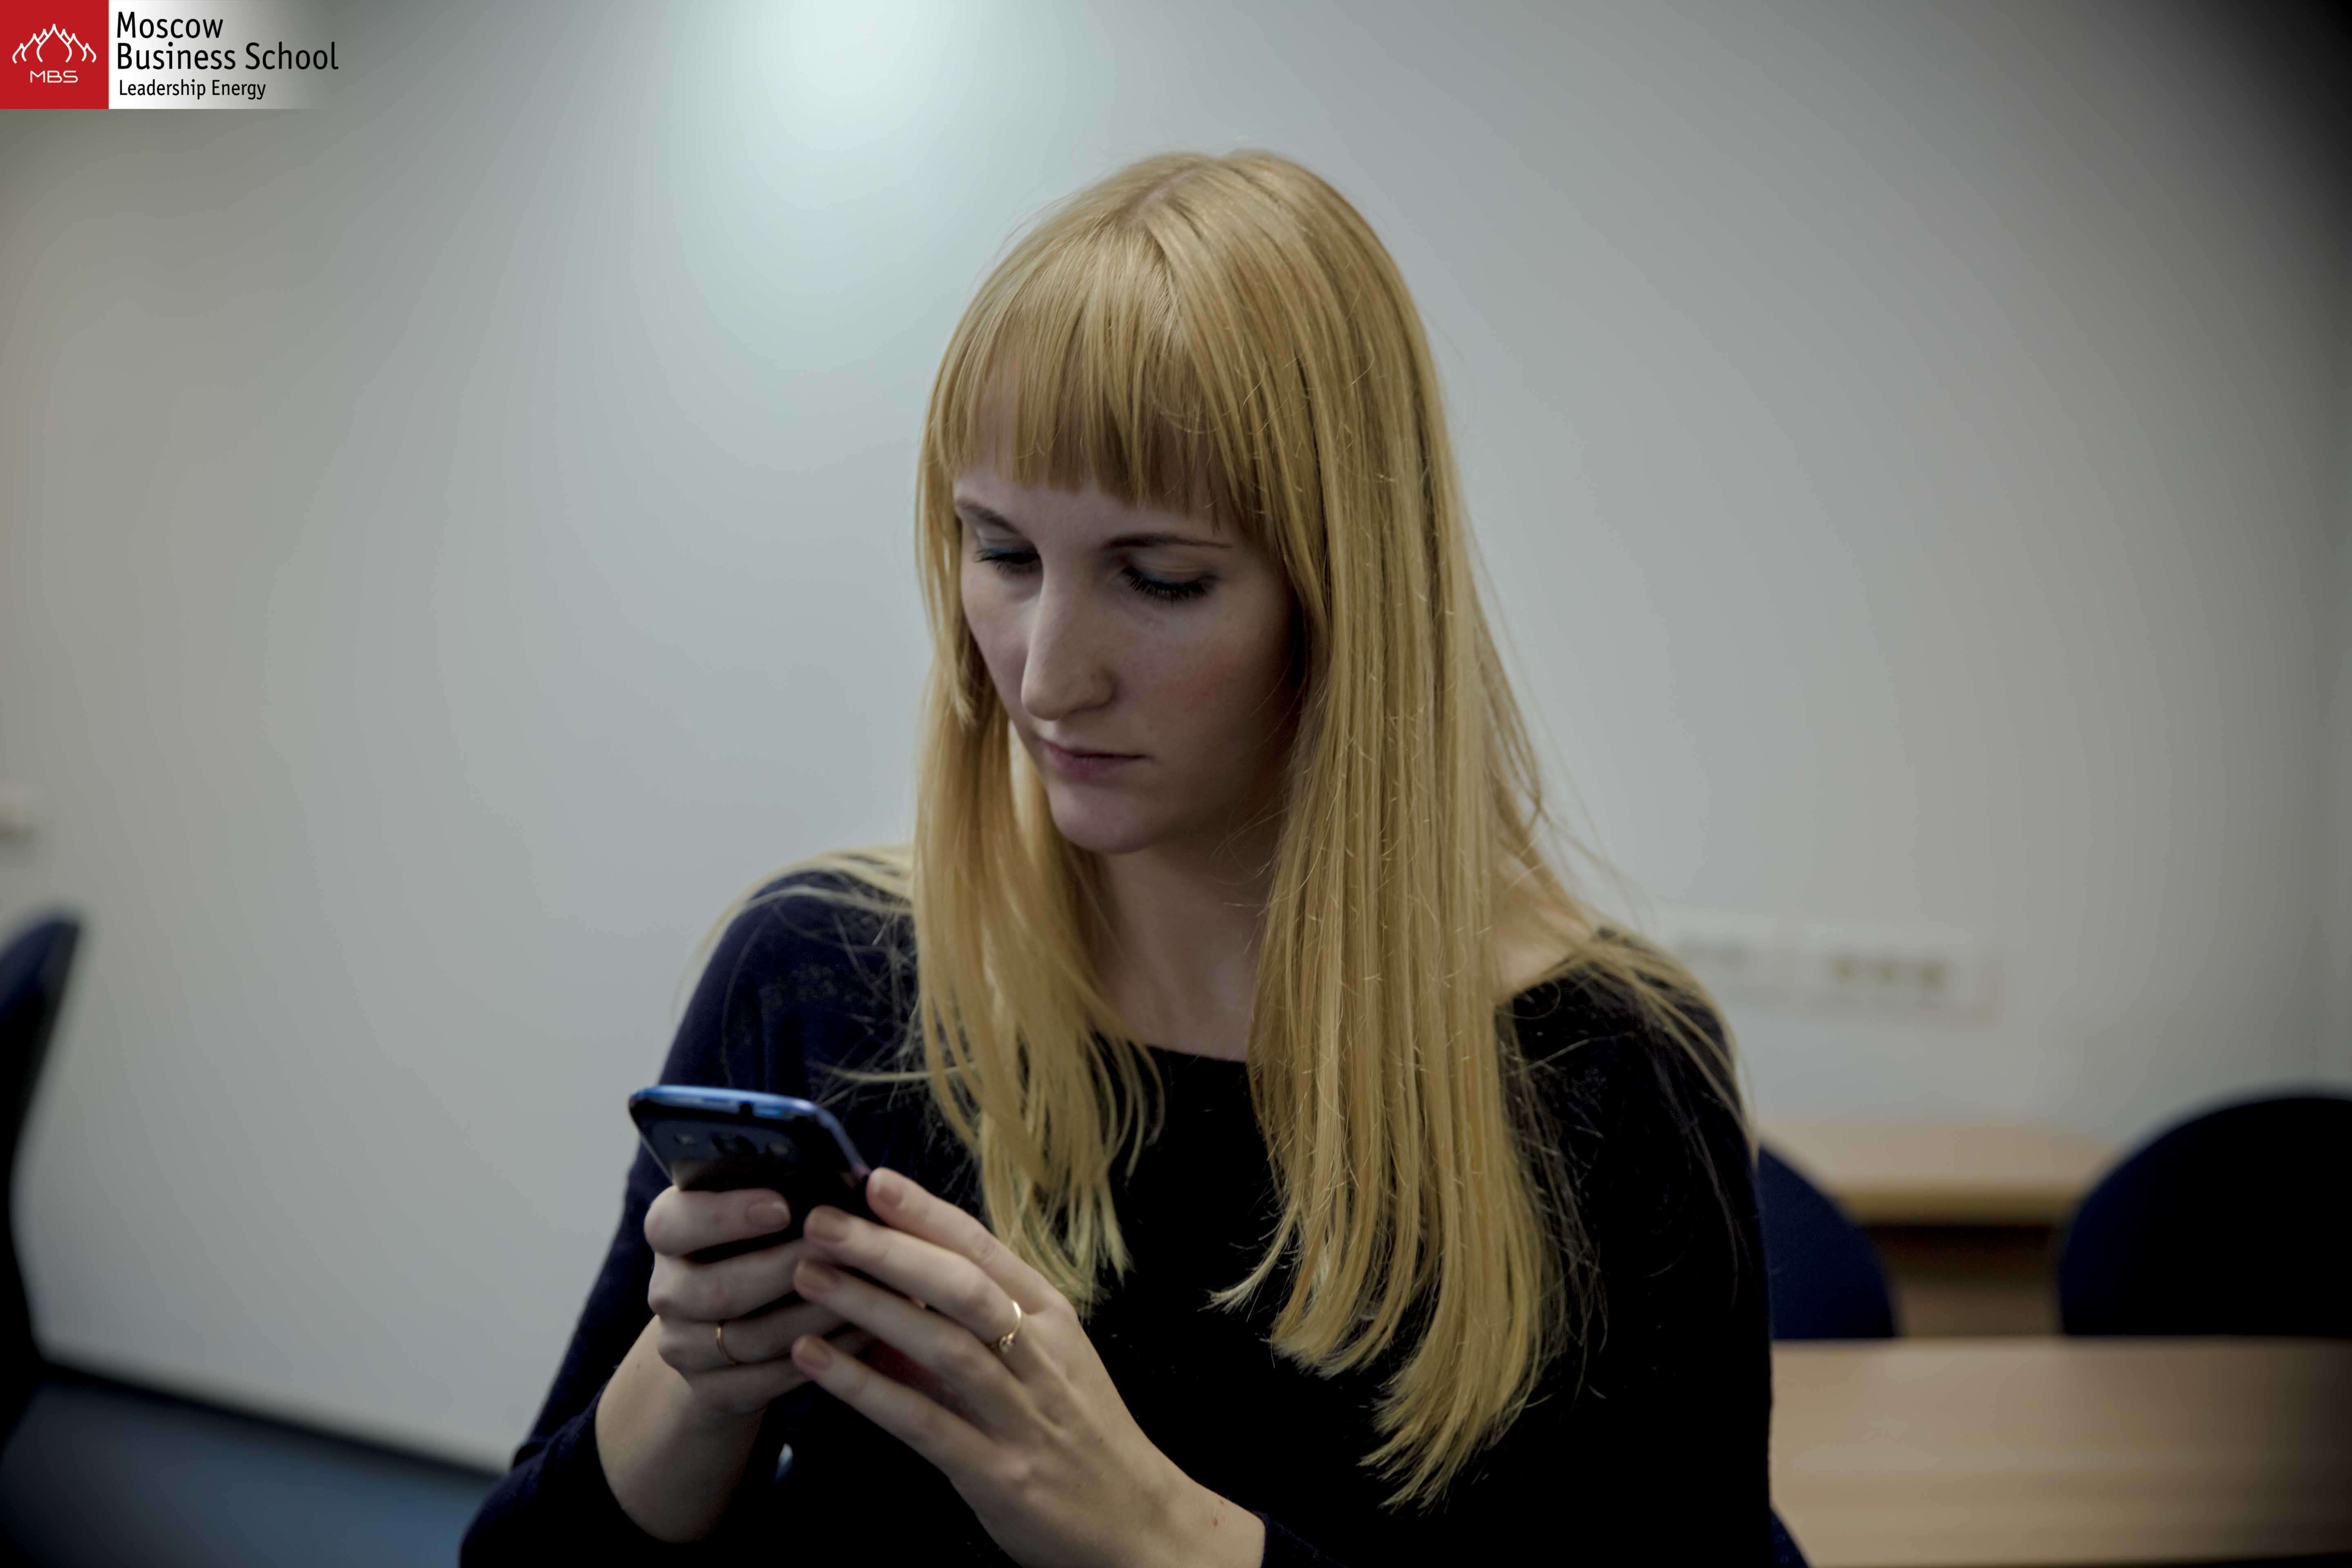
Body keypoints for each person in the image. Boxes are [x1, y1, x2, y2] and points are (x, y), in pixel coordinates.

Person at [462, 149, 1771, 1565]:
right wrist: (695, 1387)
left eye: (1159, 579)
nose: (1046, 676)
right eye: (1003, 555)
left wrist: (1157, 1538)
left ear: (1345, 599)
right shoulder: (821, 978)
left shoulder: (1609, 1081)